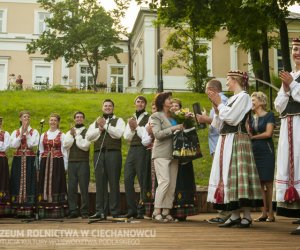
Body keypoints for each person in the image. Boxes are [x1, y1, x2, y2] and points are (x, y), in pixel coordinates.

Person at [207, 70, 263, 228]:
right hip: (226, 139)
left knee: (239, 176)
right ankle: (235, 215)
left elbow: (232, 118)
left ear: (235, 80)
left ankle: (246, 216)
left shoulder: (244, 96)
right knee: (230, 177)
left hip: (237, 139)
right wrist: (217, 110)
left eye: (228, 80)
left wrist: (219, 105)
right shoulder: (232, 99)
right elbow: (220, 124)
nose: (226, 83)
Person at [274, 38, 300, 235]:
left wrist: (293, 85)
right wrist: (285, 87)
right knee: (291, 167)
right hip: (288, 127)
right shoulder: (291, 75)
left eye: (299, 49)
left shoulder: (293, 79)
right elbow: (279, 106)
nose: (296, 52)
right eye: (294, 49)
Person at [196, 79, 230, 224]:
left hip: (220, 145)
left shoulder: (220, 99)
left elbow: (222, 121)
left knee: (221, 178)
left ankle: (225, 213)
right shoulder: (218, 100)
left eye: (206, 90)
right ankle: (224, 212)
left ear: (211, 89)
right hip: (216, 144)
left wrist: (205, 119)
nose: (205, 93)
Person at [87, 99, 125, 220]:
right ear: (102, 107)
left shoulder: (118, 120)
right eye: (105, 106)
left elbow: (118, 134)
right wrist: (99, 129)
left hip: (113, 154)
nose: (107, 107)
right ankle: (100, 211)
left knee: (114, 182)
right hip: (99, 154)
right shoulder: (95, 122)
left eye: (110, 106)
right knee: (100, 183)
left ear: (113, 108)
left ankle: (114, 211)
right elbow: (88, 136)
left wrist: (106, 126)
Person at [150, 92, 183, 222]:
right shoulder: (155, 116)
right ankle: (156, 211)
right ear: (162, 102)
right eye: (168, 99)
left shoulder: (175, 116)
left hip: (175, 154)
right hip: (161, 153)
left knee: (172, 184)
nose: (171, 100)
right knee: (164, 182)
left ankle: (166, 211)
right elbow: (157, 134)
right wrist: (175, 128)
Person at [170, 98, 200, 221]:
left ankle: (183, 212)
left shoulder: (186, 118)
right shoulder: (168, 118)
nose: (175, 107)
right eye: (172, 105)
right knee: (173, 181)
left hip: (185, 155)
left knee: (184, 180)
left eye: (177, 105)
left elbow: (192, 134)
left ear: (181, 108)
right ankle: (172, 211)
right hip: (171, 154)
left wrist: (187, 121)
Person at [249, 92, 275, 222]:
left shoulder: (269, 115)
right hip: (254, 151)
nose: (251, 102)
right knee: (259, 183)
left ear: (261, 101)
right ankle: (263, 212)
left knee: (269, 183)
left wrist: (253, 137)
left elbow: (268, 133)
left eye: (253, 100)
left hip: (266, 151)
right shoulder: (251, 118)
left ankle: (271, 213)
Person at [123, 96, 150, 219]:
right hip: (132, 149)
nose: (140, 103)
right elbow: (126, 137)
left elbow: (145, 135)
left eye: (142, 102)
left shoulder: (148, 117)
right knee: (127, 178)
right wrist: (133, 128)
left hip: (142, 149)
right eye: (138, 102)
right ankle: (131, 209)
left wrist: (136, 127)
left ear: (145, 104)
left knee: (142, 179)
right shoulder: (131, 118)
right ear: (135, 103)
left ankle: (142, 209)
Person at [38, 113, 68, 218]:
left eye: (55, 120)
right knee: (44, 184)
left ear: (58, 122)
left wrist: (65, 165)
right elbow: (41, 150)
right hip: (45, 162)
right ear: (48, 121)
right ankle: (44, 211)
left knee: (56, 183)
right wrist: (38, 164)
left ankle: (57, 210)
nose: (53, 122)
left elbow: (64, 151)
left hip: (57, 162)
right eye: (51, 120)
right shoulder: (43, 134)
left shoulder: (62, 135)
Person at [10, 111, 39, 217]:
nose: (26, 118)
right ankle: (17, 209)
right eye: (24, 117)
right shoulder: (16, 131)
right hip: (18, 159)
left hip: (29, 159)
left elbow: (32, 145)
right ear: (20, 119)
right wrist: (21, 134)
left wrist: (27, 134)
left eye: (28, 117)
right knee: (17, 181)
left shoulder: (34, 131)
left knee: (29, 181)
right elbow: (13, 145)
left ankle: (29, 209)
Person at [63, 111, 91, 219]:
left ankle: (84, 211)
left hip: (83, 162)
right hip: (71, 162)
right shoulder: (69, 132)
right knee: (72, 187)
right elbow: (65, 145)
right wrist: (71, 135)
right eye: (77, 117)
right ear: (74, 119)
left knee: (84, 187)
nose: (79, 119)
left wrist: (76, 136)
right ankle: (73, 210)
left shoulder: (87, 132)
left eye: (80, 117)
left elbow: (85, 146)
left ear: (83, 119)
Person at [141, 102, 157, 218]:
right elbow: (144, 141)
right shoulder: (149, 122)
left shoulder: (164, 118)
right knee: (150, 180)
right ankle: (150, 210)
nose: (154, 109)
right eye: (153, 108)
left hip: (163, 152)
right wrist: (150, 135)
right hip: (150, 153)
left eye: (156, 107)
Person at [0, 116, 11, 217]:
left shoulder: (5, 134)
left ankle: (2, 210)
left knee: (2, 181)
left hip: (1, 160)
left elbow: (5, 147)